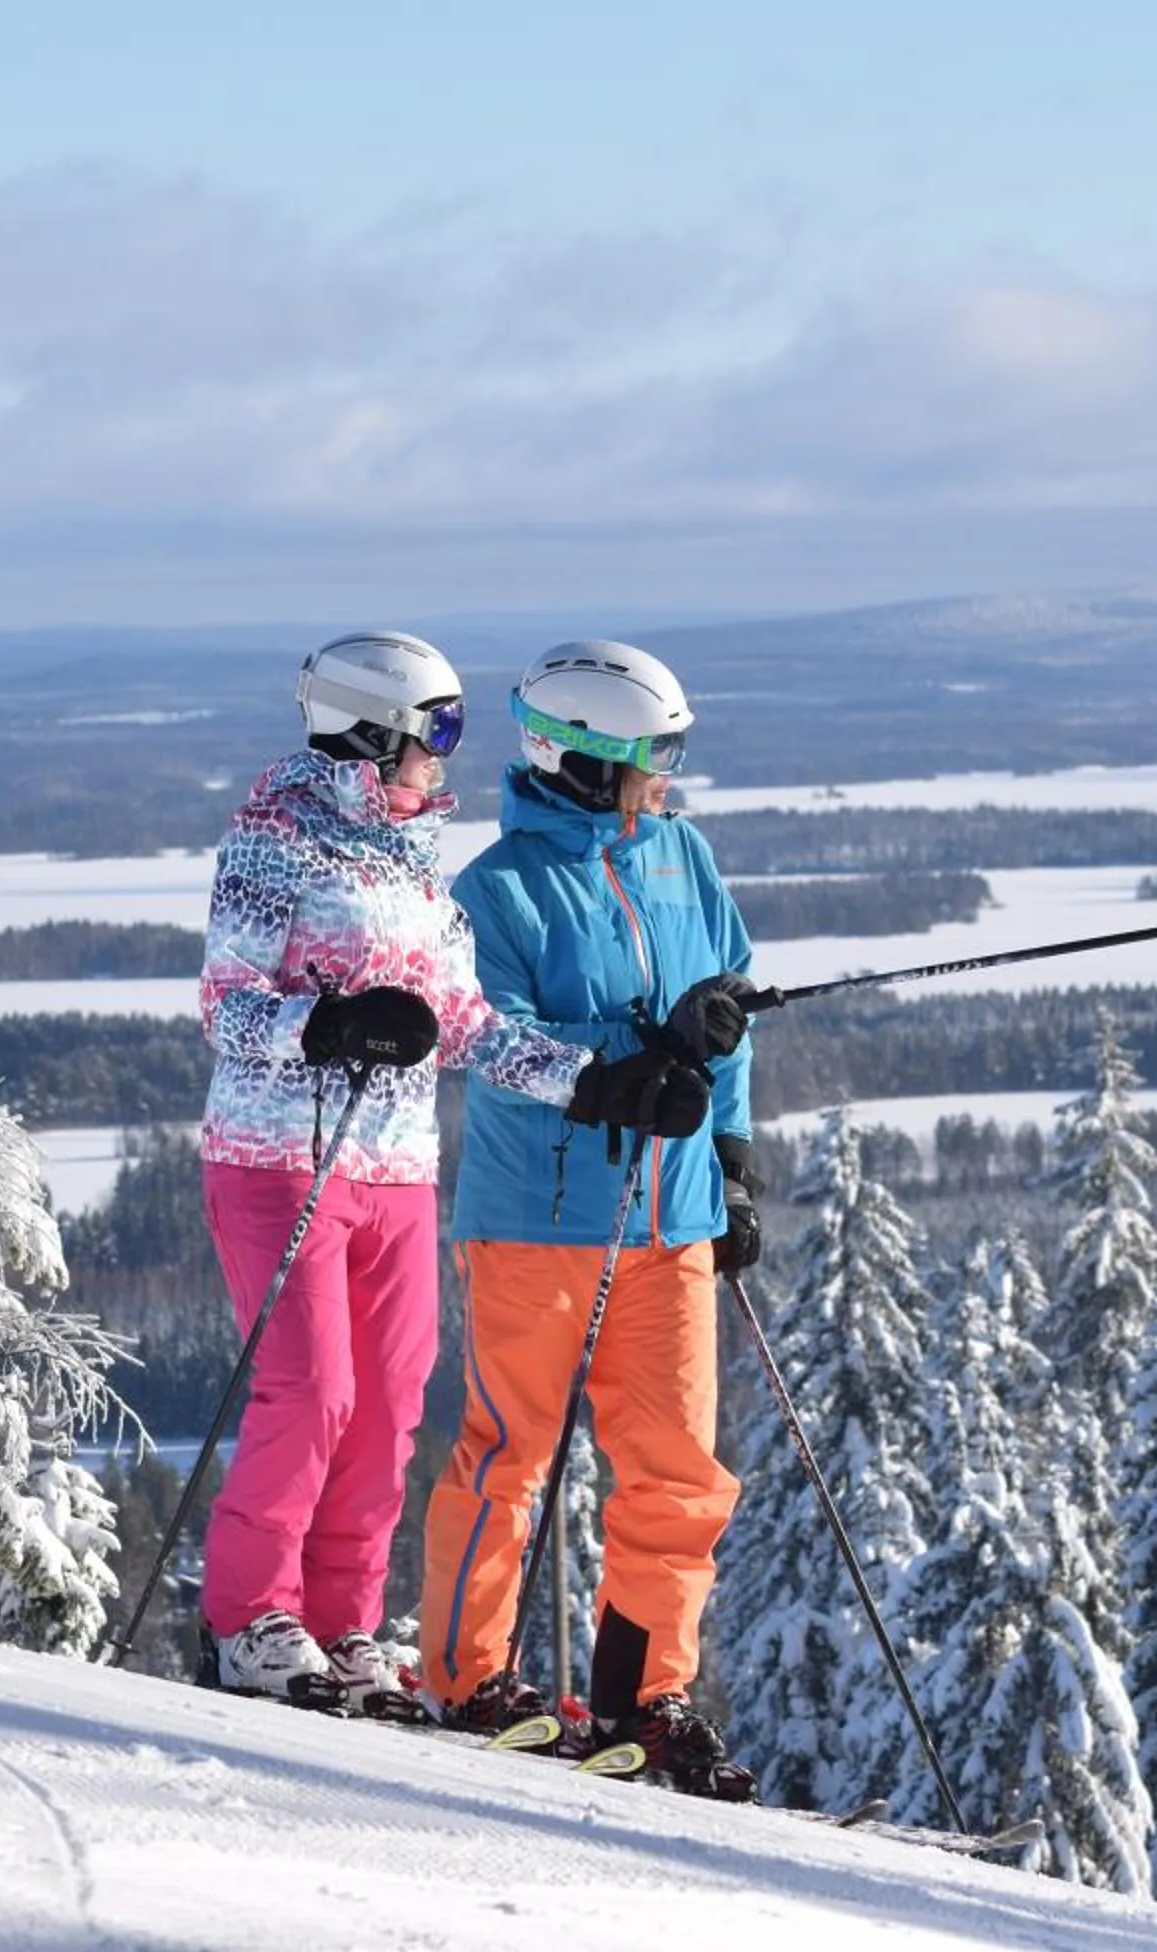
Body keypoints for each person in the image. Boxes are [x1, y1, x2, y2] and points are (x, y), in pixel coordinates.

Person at [193, 630, 715, 1712]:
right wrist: (327, 1024)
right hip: (280, 1154)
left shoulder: (411, 860)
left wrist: (591, 1082)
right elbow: (227, 1008)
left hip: (396, 1168)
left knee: (388, 1401)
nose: (448, 753)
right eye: (436, 730)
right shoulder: (270, 843)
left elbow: (468, 1024)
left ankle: (342, 1623)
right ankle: (249, 1614)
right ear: (371, 731)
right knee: (314, 1387)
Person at [417, 639, 768, 1797]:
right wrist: (617, 1072)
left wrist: (731, 1155)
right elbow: (492, 1038)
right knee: (512, 1453)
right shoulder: (496, 891)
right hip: (540, 1218)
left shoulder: (683, 857)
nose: (664, 780)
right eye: (648, 759)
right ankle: (474, 1677)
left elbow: (732, 1012)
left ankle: (641, 1694)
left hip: (671, 1217)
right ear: (580, 762)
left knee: (675, 1469)